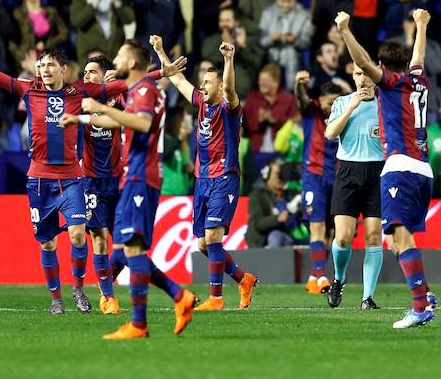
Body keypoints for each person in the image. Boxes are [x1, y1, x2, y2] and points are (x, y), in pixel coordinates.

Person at [0, 27, 184, 316]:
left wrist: (161, 73)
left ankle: (78, 290)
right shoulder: (29, 90)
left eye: (50, 65)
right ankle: (56, 298)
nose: (44, 70)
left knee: (80, 235)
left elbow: (123, 86)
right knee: (48, 243)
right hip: (39, 179)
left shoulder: (79, 91)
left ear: (63, 69)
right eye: (41, 66)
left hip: (72, 179)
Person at [64, 40, 196, 339]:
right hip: (132, 177)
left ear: (133, 62)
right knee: (125, 250)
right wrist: (82, 118)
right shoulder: (137, 91)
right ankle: (177, 297)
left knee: (130, 249)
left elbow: (143, 123)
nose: (116, 61)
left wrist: (96, 106)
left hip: (140, 176)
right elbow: (117, 120)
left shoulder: (145, 91)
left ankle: (141, 321)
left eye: (121, 55)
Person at [335, 8, 437, 328]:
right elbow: (418, 56)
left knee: (399, 239)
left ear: (382, 67)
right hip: (423, 169)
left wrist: (345, 31)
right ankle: (424, 293)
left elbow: (363, 63)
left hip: (400, 166)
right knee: (396, 238)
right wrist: (421, 25)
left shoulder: (391, 83)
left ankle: (420, 307)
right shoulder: (417, 80)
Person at [149, 35, 259, 314]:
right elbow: (176, 79)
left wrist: (228, 59)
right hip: (202, 179)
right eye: (203, 82)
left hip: (225, 176)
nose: (202, 85)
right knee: (202, 245)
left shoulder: (229, 106)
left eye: (209, 82)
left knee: (212, 236)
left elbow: (231, 89)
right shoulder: (200, 103)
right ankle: (242, 279)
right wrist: (161, 50)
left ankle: (216, 299)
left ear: (220, 87)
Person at [323, 64, 385, 310]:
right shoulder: (342, 102)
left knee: (373, 236)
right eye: (359, 74)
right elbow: (329, 133)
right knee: (343, 237)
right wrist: (351, 107)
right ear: (353, 76)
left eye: (367, 74)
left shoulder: (385, 104)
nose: (363, 79)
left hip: (378, 172)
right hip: (349, 171)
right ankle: (339, 278)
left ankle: (367, 297)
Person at [76, 55, 124, 315]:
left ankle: (105, 277)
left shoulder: (121, 100)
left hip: (118, 180)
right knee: (100, 239)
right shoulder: (80, 103)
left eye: (92, 72)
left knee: (127, 243)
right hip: (91, 181)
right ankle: (108, 297)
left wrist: (119, 84)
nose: (86, 76)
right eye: (84, 71)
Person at [294, 72, 343, 294]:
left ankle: (315, 275)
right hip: (313, 176)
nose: (332, 107)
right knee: (317, 226)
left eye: (336, 102)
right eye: (329, 103)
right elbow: (301, 98)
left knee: (331, 232)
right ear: (320, 100)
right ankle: (322, 276)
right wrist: (298, 84)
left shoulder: (342, 113)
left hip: (337, 176)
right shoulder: (311, 110)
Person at [70, 0, 136, 63]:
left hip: (115, 55)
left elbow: (129, 19)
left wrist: (116, 0)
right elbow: (77, 21)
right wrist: (95, 2)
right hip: (91, 55)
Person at [259, 0, 314, 89]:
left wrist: (294, 40)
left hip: (295, 61)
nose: (286, 5)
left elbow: (306, 43)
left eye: (289, 1)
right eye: (282, 1)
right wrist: (272, 38)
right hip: (270, 58)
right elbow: (262, 41)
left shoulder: (304, 16)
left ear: (295, 1)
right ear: (277, 0)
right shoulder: (268, 13)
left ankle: (291, 91)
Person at [243, 63, 298, 153]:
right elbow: (244, 124)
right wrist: (258, 120)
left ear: (276, 82)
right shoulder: (252, 99)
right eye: (260, 80)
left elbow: (294, 124)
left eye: (265, 80)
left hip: (282, 149)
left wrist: (274, 120)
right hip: (255, 149)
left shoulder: (289, 100)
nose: (261, 83)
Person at [247, 158, 302, 247]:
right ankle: (271, 260)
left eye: (283, 173)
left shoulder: (290, 193)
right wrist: (277, 219)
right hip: (265, 239)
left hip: (290, 236)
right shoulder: (257, 195)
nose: (282, 177)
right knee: (276, 237)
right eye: (278, 174)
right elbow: (256, 223)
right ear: (266, 175)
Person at [10, 0, 68, 64]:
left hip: (49, 55)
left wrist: (47, 44)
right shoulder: (17, 14)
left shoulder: (51, 11)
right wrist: (22, 59)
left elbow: (64, 33)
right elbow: (11, 41)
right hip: (27, 58)